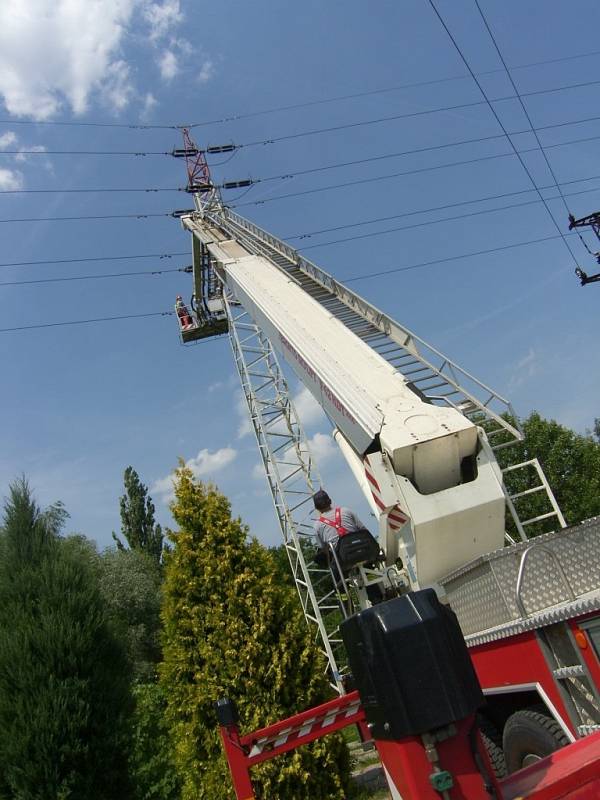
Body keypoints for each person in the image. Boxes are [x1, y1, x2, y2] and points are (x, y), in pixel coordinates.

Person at [312, 489, 383, 604]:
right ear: (330, 501)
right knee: (368, 569)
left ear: (317, 508)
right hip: (364, 552)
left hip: (343, 560)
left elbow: (324, 549)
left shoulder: (317, 526)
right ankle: (377, 597)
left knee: (336, 572)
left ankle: (345, 602)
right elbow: (363, 530)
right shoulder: (347, 511)